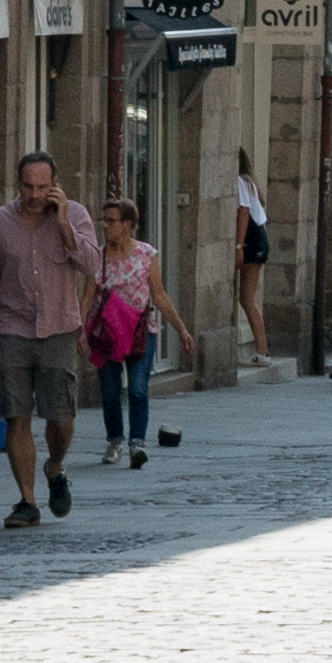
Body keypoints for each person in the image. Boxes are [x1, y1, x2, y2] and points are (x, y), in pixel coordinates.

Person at [0, 151, 99, 530]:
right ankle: (27, 500)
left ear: (55, 185)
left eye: (43, 187)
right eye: (28, 186)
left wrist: (63, 224)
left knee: (60, 417)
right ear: (18, 183)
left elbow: (93, 266)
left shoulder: (74, 215)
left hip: (59, 328)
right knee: (16, 415)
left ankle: (55, 466)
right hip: (12, 328)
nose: (34, 194)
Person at [89, 199, 187, 468]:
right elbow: (88, 297)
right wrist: (78, 330)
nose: (106, 226)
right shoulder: (99, 256)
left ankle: (137, 444)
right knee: (110, 392)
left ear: (128, 224)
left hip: (140, 331)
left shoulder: (146, 254)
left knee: (138, 390)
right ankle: (115, 441)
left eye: (112, 221)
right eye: (104, 220)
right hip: (108, 334)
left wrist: (181, 329)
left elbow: (159, 294)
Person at [229, 157, 275, 369]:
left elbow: (243, 211)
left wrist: (239, 247)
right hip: (258, 238)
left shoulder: (239, 181)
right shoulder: (250, 182)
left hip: (251, 239)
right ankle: (262, 350)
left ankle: (262, 350)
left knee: (246, 298)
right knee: (247, 297)